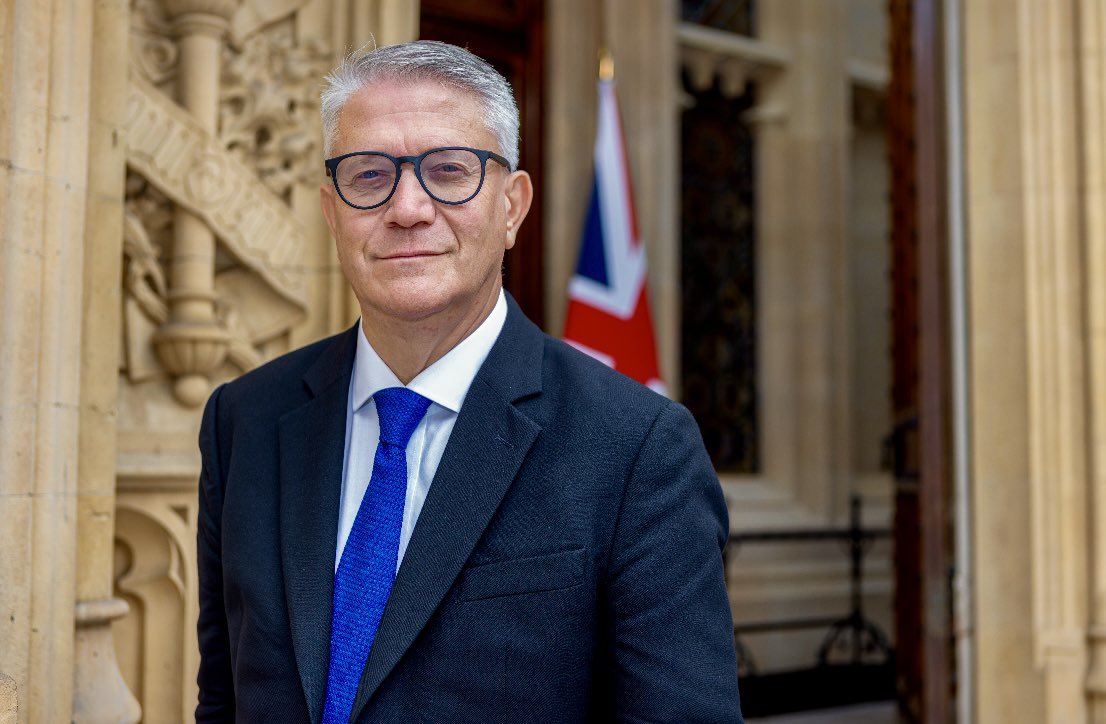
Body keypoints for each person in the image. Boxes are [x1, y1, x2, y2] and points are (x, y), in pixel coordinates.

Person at [195, 39, 742, 723]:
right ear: (332, 212)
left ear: (512, 206)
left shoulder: (638, 447)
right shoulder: (243, 420)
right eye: (369, 175)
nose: (408, 208)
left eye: (449, 171)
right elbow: (223, 699)